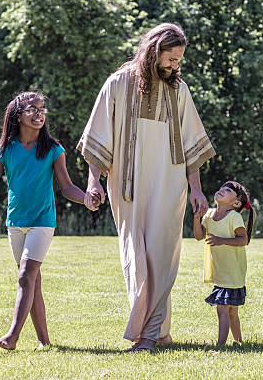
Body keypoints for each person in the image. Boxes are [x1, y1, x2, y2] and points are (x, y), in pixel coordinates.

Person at [77, 23, 216, 351]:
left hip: (169, 187)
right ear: (155, 52)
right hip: (127, 187)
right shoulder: (117, 84)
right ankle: (157, 331)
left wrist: (196, 190)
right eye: (171, 58)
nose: (175, 65)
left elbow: (191, 145)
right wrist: (92, 182)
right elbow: (99, 139)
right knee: (136, 259)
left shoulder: (179, 90)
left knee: (162, 257)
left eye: (178, 59)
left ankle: (150, 335)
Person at [0, 91, 97, 350]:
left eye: (42, 109)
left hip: (42, 221)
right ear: (18, 115)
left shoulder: (54, 150)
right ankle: (45, 341)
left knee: (25, 276)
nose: (39, 113)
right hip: (14, 222)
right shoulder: (4, 151)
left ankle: (12, 336)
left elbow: (66, 187)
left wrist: (86, 198)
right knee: (32, 282)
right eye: (33, 109)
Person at [193, 181, 256, 346]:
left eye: (227, 190)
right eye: (221, 188)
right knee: (232, 311)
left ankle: (220, 346)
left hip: (233, 271)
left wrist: (221, 240)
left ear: (235, 203)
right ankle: (239, 342)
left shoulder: (234, 217)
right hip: (221, 272)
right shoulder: (210, 215)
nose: (221, 190)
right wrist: (197, 217)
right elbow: (199, 236)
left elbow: (243, 240)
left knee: (223, 308)